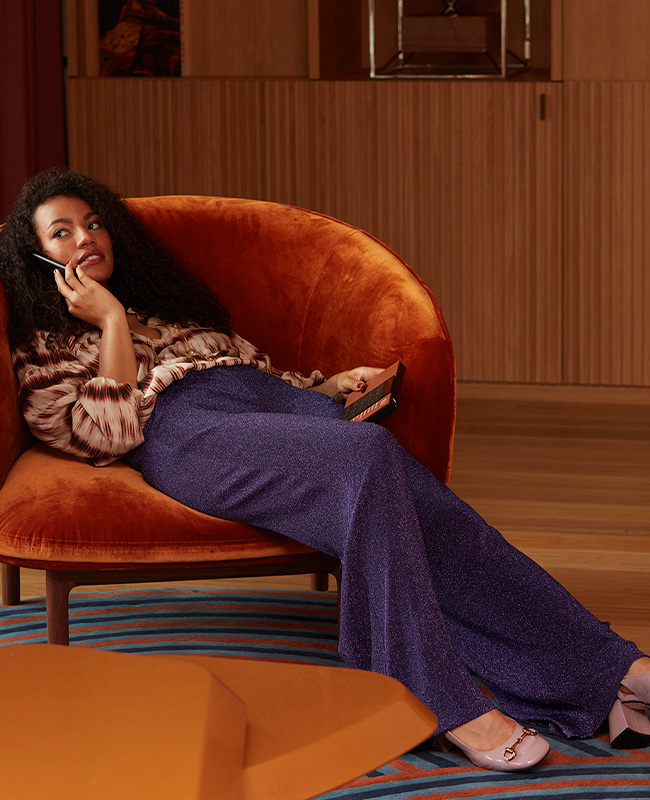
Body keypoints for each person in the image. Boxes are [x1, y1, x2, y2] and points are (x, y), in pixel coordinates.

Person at [1, 168, 649, 772]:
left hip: (265, 405)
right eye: (61, 232)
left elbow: (253, 378)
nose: (85, 238)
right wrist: (110, 319)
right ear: (36, 261)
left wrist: (325, 388)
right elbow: (107, 434)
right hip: (184, 431)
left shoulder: (166, 311)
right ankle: (432, 695)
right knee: (370, 456)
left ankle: (603, 670)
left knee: (429, 511)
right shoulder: (46, 349)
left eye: (92, 222)